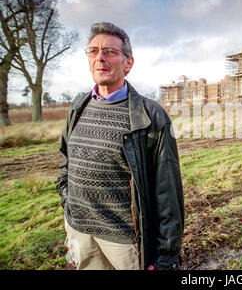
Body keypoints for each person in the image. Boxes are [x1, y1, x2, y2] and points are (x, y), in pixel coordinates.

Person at [56, 22, 184, 270]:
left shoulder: (150, 116)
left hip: (125, 242)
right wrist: (67, 199)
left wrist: (166, 255)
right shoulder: (77, 107)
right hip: (80, 233)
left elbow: (167, 190)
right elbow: (65, 161)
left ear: (128, 63)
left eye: (110, 52)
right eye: (93, 51)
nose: (100, 58)